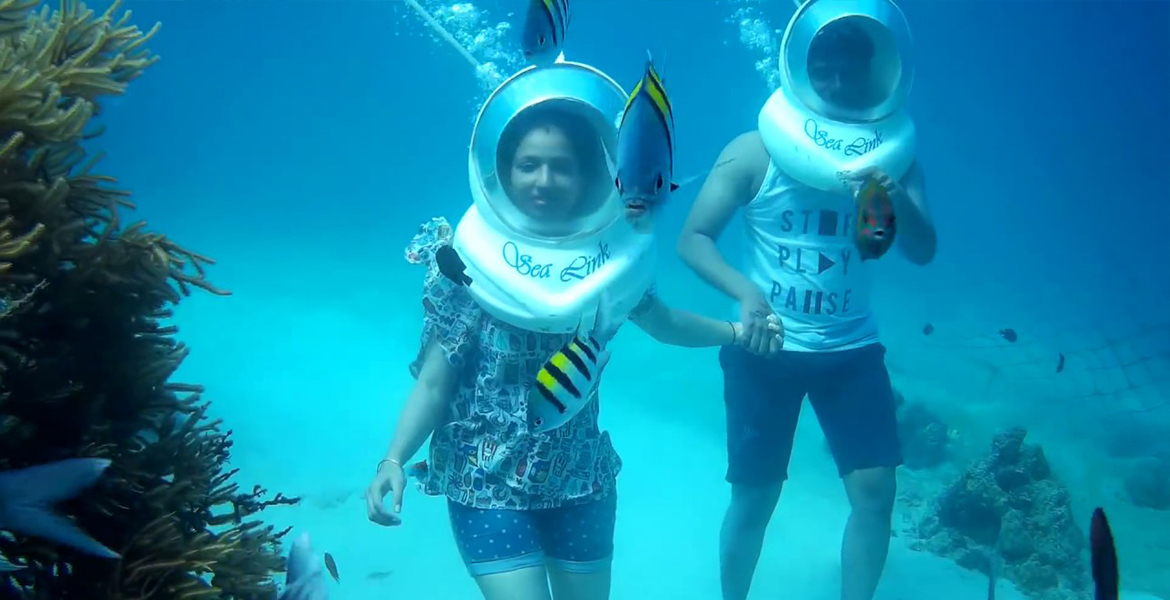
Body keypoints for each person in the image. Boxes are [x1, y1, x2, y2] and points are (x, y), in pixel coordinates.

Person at [365, 62, 780, 600]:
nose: (542, 180)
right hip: (483, 480)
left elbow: (667, 324)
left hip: (580, 480)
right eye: (528, 165)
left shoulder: (610, 262)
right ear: (502, 169)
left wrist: (736, 330)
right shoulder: (465, 265)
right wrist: (392, 460)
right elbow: (434, 385)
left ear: (590, 174)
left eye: (561, 167)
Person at [676, 13, 937, 600]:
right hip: (763, 349)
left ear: (878, 74)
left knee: (876, 493)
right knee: (755, 495)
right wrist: (746, 294)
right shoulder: (752, 152)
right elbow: (692, 238)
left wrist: (897, 201)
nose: (839, 84)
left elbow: (921, 251)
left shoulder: (897, 160)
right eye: (825, 70)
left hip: (852, 349)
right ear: (801, 70)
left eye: (852, 70)